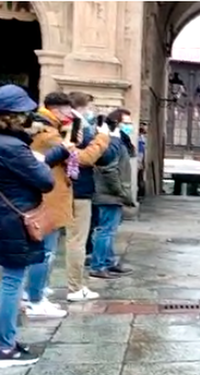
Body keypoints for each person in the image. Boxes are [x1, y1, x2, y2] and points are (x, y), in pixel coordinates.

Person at [0, 85, 57, 366]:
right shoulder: (12, 147)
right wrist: (42, 162)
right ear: (9, 116)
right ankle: (4, 346)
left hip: (5, 215)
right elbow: (46, 181)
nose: (28, 118)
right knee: (11, 282)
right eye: (23, 114)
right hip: (13, 220)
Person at [26, 91, 79, 319]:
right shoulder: (47, 132)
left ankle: (35, 294)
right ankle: (35, 299)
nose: (71, 115)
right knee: (44, 252)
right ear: (57, 110)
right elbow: (73, 153)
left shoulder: (47, 127)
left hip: (50, 195)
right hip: (49, 197)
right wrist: (78, 132)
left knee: (45, 251)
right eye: (68, 111)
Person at [66, 92, 114, 301]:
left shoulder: (70, 123)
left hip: (69, 187)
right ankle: (75, 287)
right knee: (77, 240)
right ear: (84, 106)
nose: (92, 112)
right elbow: (83, 158)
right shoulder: (76, 124)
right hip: (77, 188)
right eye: (90, 107)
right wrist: (102, 137)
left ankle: (36, 290)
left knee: (52, 243)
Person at [90, 108, 135, 279]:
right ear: (116, 123)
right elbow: (109, 170)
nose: (129, 126)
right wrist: (121, 191)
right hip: (108, 193)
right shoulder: (112, 141)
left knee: (109, 230)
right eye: (126, 123)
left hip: (109, 193)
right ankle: (98, 265)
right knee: (105, 230)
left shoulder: (118, 141)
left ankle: (108, 262)